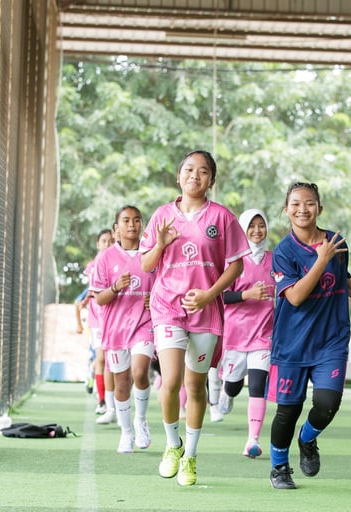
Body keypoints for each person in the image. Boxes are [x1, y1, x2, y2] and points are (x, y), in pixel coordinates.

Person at [140, 150, 250, 486]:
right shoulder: (162, 215)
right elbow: (146, 265)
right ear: (179, 176)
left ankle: (190, 455)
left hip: (205, 309)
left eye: (203, 171)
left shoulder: (222, 217)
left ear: (211, 180)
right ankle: (172, 445)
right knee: (171, 381)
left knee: (195, 386)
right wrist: (160, 245)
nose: (194, 176)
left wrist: (208, 294)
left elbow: (236, 265)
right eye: (189, 169)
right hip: (167, 307)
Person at [267, 182, 351, 490]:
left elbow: (342, 273)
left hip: (331, 340)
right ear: (286, 210)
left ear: (319, 208)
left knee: (327, 403)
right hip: (293, 343)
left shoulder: (337, 243)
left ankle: (307, 439)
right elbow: (295, 297)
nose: (303, 209)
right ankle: (279, 468)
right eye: (295, 204)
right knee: (288, 410)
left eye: (309, 203)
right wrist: (320, 260)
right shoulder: (283, 252)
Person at [93, 206, 156, 453]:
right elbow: (99, 299)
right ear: (116, 228)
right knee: (121, 384)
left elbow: (163, 285)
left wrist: (154, 298)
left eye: (137, 220)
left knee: (140, 372)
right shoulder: (105, 258)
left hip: (144, 323)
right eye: (126, 220)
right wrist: (115, 287)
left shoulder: (151, 254)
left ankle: (140, 421)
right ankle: (126, 432)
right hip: (117, 329)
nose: (132, 225)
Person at [217, 208, 275, 458]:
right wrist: (247, 294)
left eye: (261, 225)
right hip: (236, 336)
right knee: (234, 386)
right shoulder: (234, 262)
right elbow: (220, 296)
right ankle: (227, 391)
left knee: (258, 385)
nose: (257, 231)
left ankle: (253, 440)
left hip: (264, 334)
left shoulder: (275, 260)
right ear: (242, 230)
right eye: (251, 226)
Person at [85, 228, 115, 414]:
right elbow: (93, 291)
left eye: (111, 241)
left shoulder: (118, 261)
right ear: (98, 244)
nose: (107, 244)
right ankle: (102, 400)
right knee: (101, 358)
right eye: (104, 241)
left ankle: (114, 401)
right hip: (97, 318)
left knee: (113, 361)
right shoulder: (93, 266)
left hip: (113, 318)